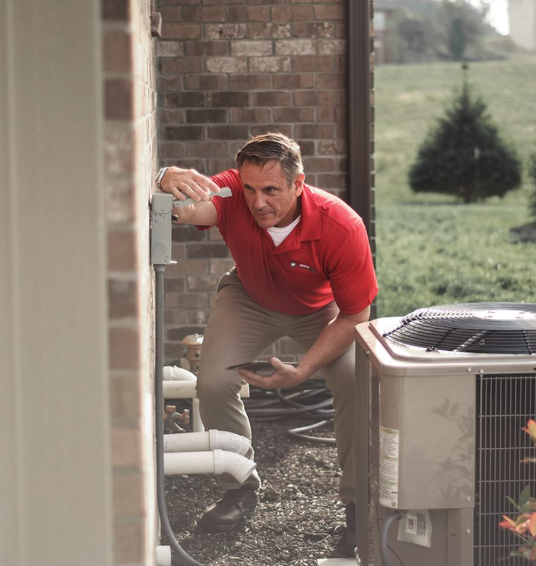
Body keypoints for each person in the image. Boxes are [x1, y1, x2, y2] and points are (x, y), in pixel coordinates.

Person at [157, 133, 377, 544]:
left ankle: (357, 505)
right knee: (213, 383)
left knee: (355, 380)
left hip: (321, 312)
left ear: (299, 183)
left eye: (272, 190)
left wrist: (303, 370)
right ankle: (239, 488)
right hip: (250, 298)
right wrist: (165, 178)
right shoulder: (233, 191)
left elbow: (355, 316)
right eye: (252, 189)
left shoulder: (342, 226)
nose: (258, 202)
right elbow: (188, 211)